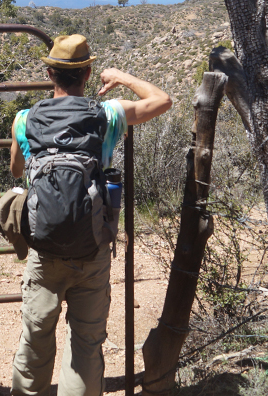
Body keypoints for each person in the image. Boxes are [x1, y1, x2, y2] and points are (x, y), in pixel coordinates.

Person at [10, 34, 172, 396]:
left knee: (35, 338)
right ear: (87, 73)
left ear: (50, 73)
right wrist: (121, 77)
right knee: (85, 343)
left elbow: (17, 170)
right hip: (92, 247)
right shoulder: (109, 114)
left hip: (44, 249)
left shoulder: (24, 120)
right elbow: (162, 100)